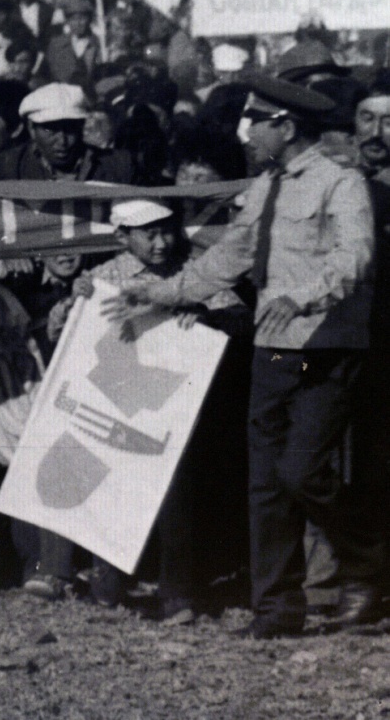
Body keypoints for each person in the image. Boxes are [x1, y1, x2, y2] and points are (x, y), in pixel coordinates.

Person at [110, 76, 378, 638]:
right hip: (271, 350)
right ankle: (276, 609)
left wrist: (301, 296)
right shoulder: (263, 188)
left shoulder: (342, 183)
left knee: (301, 471)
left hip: (324, 350)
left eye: (255, 121)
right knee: (265, 483)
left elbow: (355, 256)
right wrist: (160, 292)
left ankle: (371, 566)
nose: (245, 131)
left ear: (284, 127)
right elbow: (226, 258)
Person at [66, 199, 250, 622]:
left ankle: (177, 593)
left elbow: (242, 317)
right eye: (148, 234)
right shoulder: (105, 276)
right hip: (116, 400)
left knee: (175, 492)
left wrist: (204, 315)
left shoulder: (196, 272)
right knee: (111, 485)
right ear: (122, 237)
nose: (161, 242)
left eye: (167, 231)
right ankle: (109, 578)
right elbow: (65, 330)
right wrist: (75, 302)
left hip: (173, 406)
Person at [0, 83, 136, 184]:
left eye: (70, 129)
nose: (62, 141)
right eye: (50, 130)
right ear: (32, 129)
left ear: (81, 126)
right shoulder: (5, 167)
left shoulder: (119, 165)